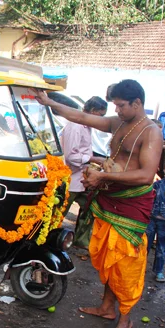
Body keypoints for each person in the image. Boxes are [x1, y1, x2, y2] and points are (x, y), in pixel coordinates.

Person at [34, 79, 162, 328]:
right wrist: (49, 102)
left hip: (130, 204)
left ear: (137, 103)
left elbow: (147, 175)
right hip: (110, 199)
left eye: (121, 106)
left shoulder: (150, 132)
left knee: (125, 262)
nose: (117, 111)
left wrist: (104, 177)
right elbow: (81, 116)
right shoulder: (119, 123)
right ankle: (106, 308)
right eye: (115, 106)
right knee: (108, 258)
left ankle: (125, 319)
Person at [61, 96, 108, 249]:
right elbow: (71, 156)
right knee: (58, 214)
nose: (101, 119)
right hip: (70, 178)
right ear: (93, 111)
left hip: (82, 176)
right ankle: (48, 241)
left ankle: (81, 243)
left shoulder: (86, 126)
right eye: (100, 115)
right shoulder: (75, 126)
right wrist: (93, 159)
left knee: (90, 209)